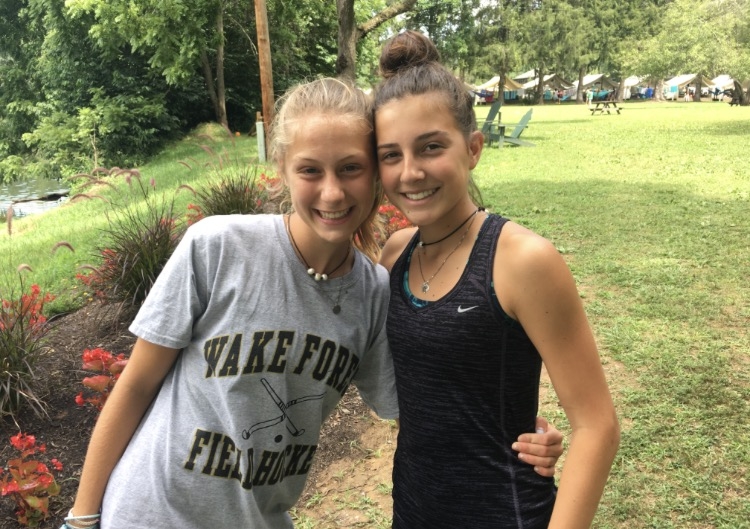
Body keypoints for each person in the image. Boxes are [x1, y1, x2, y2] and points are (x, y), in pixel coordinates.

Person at [61, 77, 562, 529]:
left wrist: (517, 431)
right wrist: (82, 519)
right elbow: (135, 385)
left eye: (351, 168)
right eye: (309, 170)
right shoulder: (216, 248)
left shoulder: (373, 290)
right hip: (148, 513)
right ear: (281, 168)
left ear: (375, 172)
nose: (332, 192)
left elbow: (422, 399)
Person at [374, 31, 620, 529]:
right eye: (391, 155)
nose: (411, 172)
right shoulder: (394, 255)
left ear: (473, 149)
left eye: (431, 147)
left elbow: (597, 426)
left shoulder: (522, 260)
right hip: (413, 509)